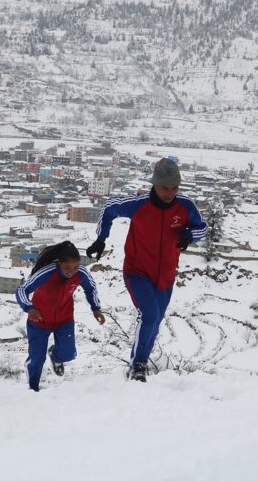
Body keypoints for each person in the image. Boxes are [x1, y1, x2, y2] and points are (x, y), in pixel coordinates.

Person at [86, 158, 207, 382]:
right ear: (154, 184)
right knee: (150, 315)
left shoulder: (185, 206)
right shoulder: (139, 204)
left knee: (156, 320)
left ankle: (140, 362)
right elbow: (109, 207)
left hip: (166, 276)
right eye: (164, 188)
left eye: (174, 188)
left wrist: (190, 235)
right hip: (137, 271)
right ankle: (138, 366)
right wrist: (101, 239)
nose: (169, 193)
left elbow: (202, 227)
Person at [15, 241, 105, 392]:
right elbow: (22, 289)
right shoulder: (47, 272)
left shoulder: (81, 273)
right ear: (59, 263)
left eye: (76, 266)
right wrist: (29, 308)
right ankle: (32, 387)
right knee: (37, 359)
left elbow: (91, 289)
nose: (72, 271)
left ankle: (56, 356)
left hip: (64, 320)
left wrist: (96, 308)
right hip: (39, 320)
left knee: (68, 353)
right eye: (67, 268)